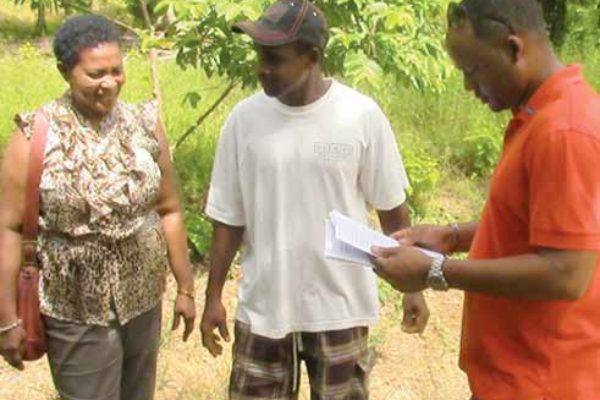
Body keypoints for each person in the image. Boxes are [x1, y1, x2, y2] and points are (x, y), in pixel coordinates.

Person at [371, 0, 600, 399]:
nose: (468, 87)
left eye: (472, 70)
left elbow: (567, 273)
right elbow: (536, 226)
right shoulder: (538, 117)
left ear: (513, 48)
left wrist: (436, 271)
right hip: (514, 377)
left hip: (544, 383)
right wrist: (453, 236)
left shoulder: (564, 130)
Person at [200, 0, 428, 398]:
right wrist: (213, 296)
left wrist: (413, 287)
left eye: (274, 59)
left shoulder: (360, 116)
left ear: (312, 57)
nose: (262, 68)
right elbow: (229, 218)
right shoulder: (243, 120)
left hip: (340, 308)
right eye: (259, 56)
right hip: (265, 307)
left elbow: (391, 207)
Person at [0, 15, 196, 400]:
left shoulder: (144, 123)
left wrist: (186, 288)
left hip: (142, 300)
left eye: (116, 71)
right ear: (65, 71)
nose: (109, 83)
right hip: (74, 308)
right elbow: (8, 227)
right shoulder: (35, 134)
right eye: (95, 74)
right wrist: (6, 317)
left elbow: (169, 209)